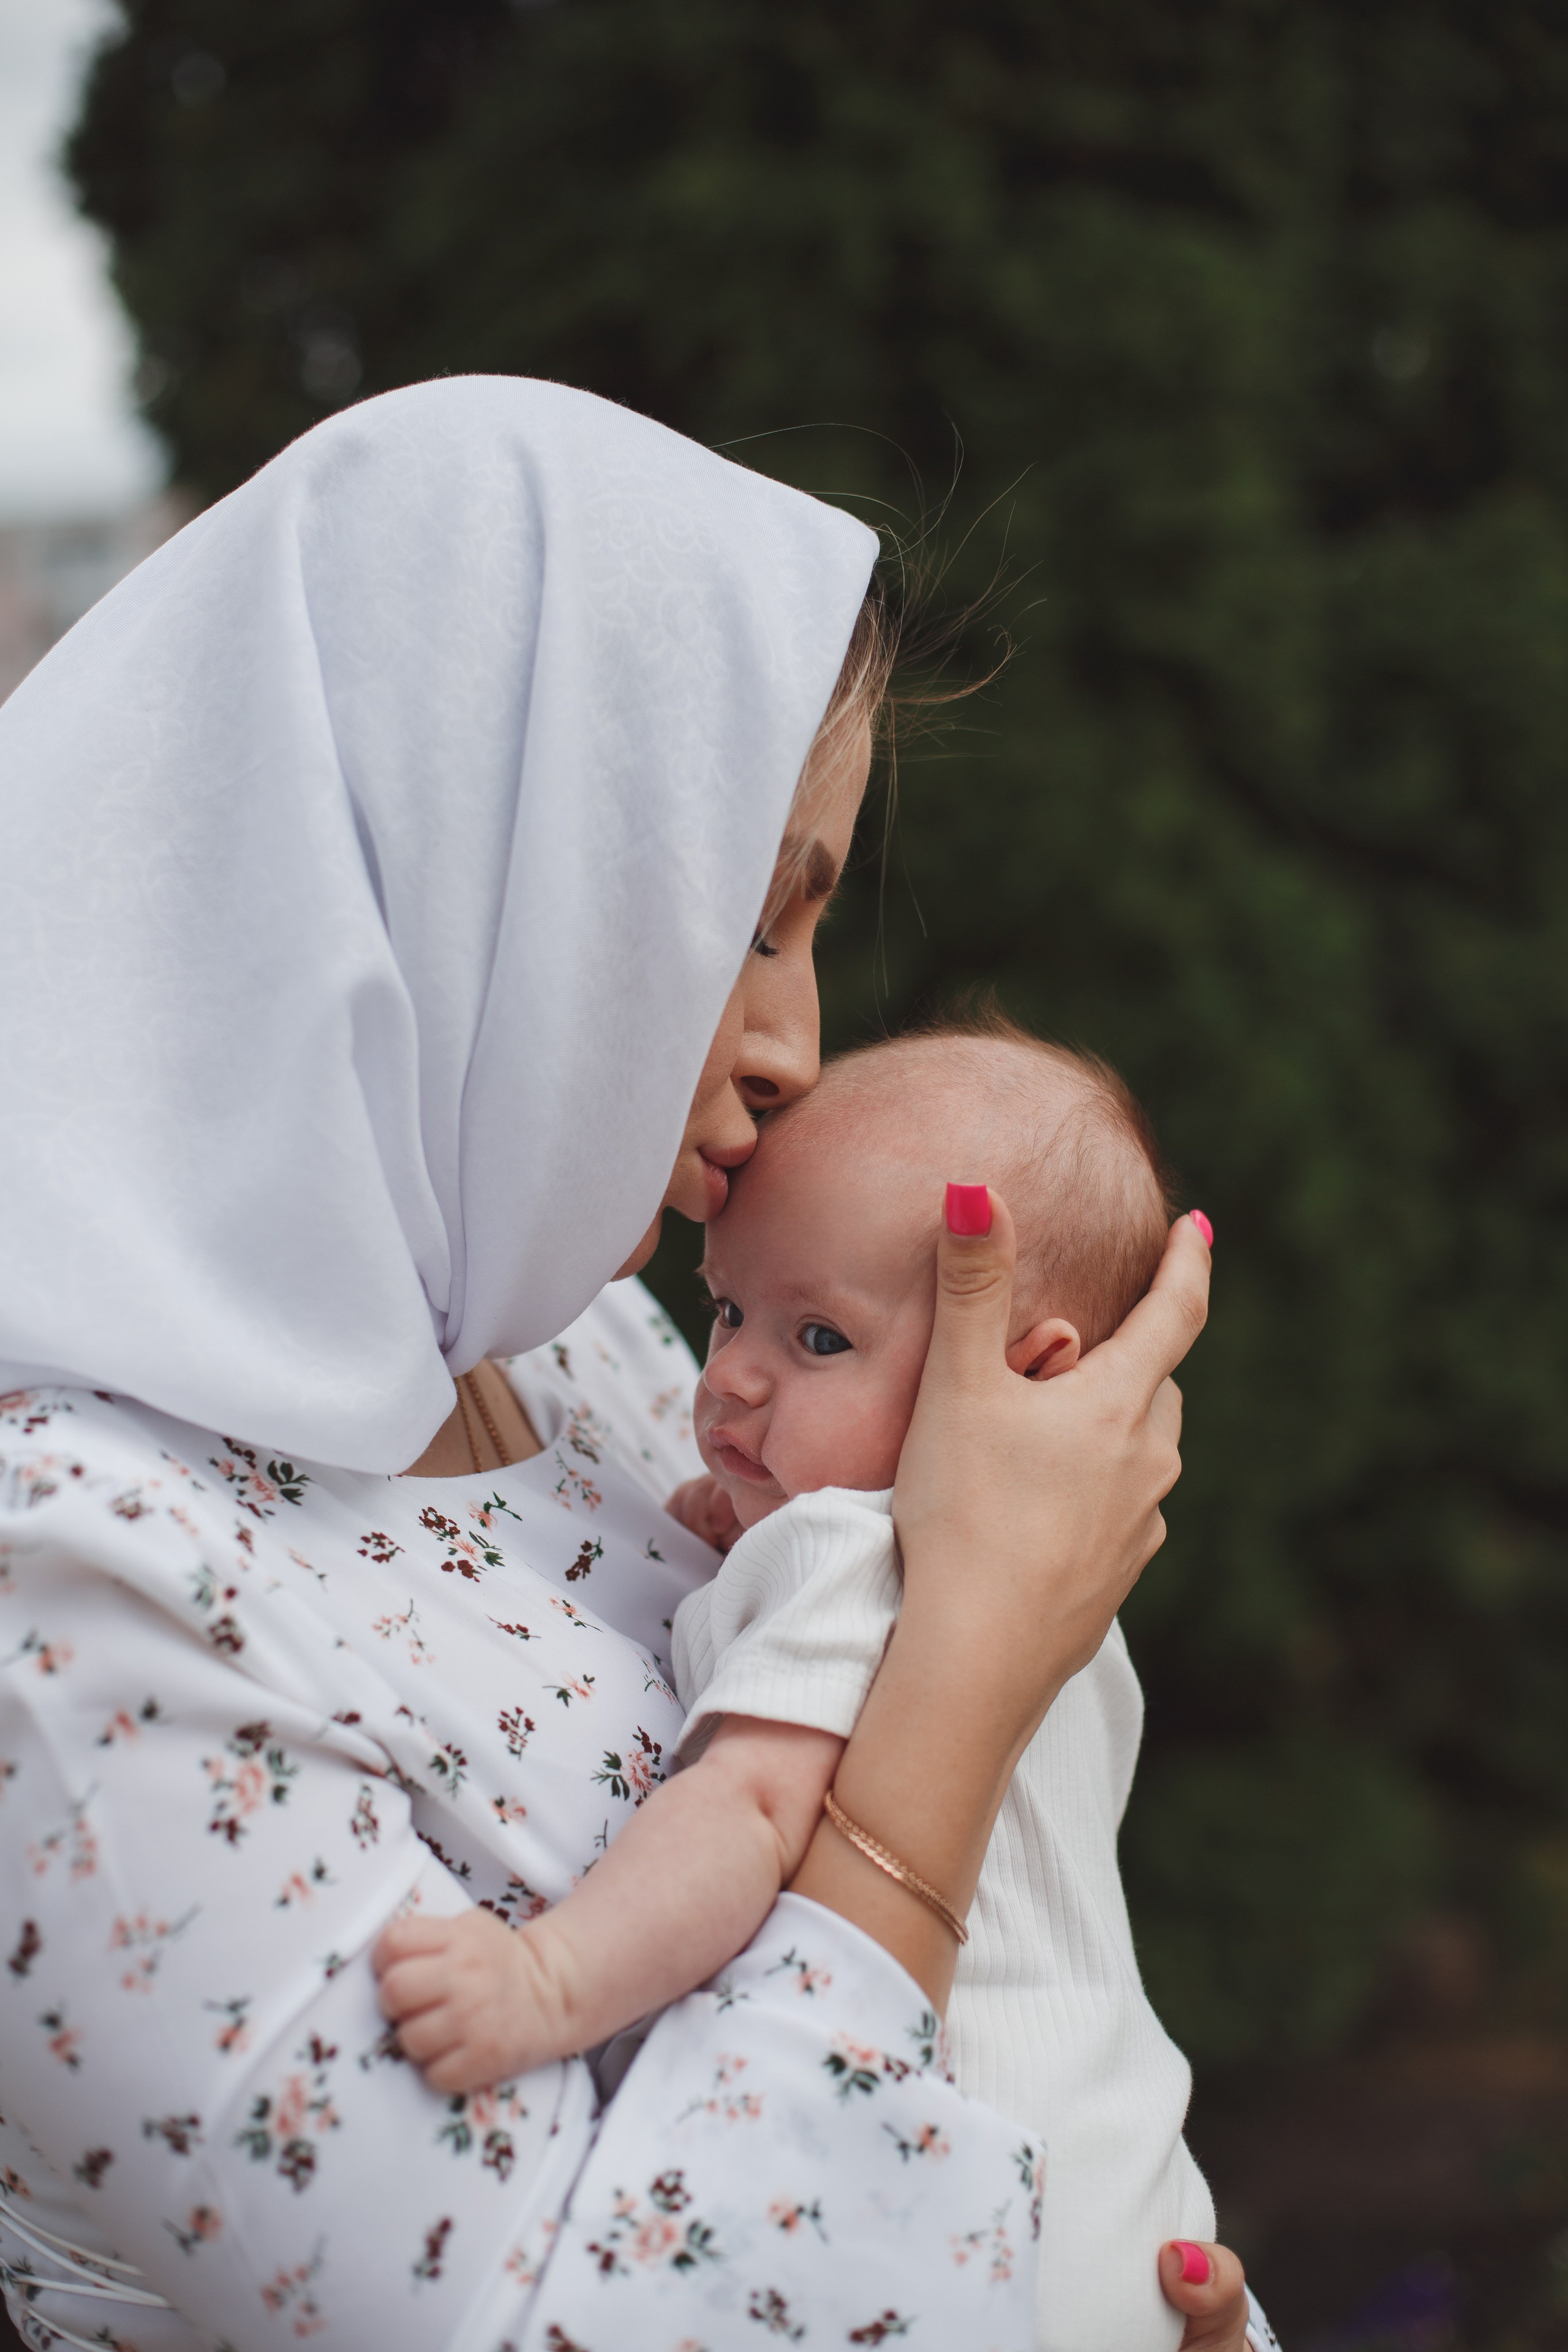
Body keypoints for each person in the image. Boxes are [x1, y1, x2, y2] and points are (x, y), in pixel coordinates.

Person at [0, 376, 1241, 2351]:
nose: (792, 1049)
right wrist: (971, 1665)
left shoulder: (557, 1336)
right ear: (450, 854)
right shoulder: (62, 1595)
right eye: (747, 926)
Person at [369, 1021, 1236, 2352]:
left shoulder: (843, 1554)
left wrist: (545, 1981)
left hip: (964, 2205)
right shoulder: (1071, 1593)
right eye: (727, 1310)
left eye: (819, 1336)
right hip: (1130, 2204)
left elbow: (748, 1816)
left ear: (1031, 1374)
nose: (729, 1374)